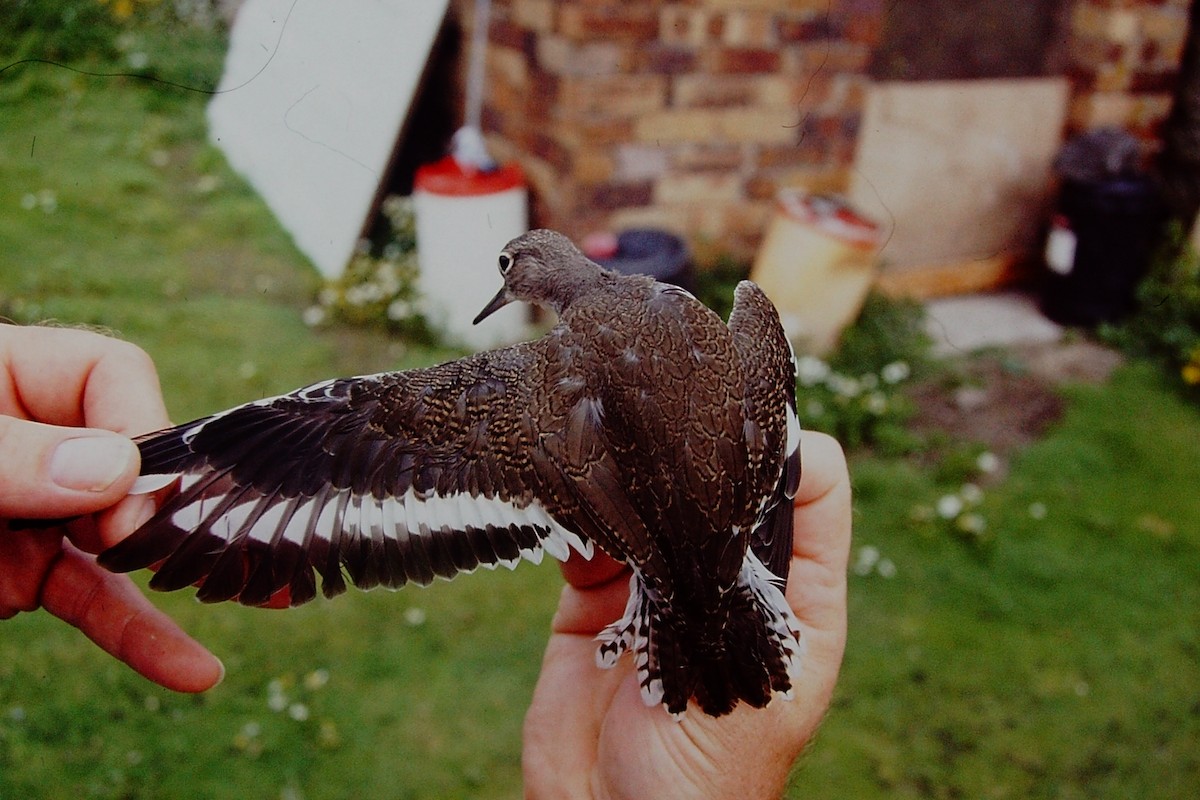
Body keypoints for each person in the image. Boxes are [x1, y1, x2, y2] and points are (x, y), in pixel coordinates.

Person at [0, 322, 850, 799]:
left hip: (687, 574)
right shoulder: (740, 345)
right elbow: (781, 450)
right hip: (718, 571)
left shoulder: (528, 401)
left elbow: (329, 429)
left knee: (339, 416)